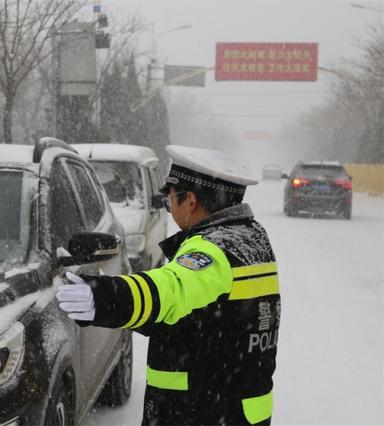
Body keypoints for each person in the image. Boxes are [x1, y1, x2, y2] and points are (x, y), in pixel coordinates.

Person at [56, 145, 280, 426]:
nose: (169, 208)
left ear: (191, 201)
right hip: (238, 408)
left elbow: (171, 289)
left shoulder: (214, 250)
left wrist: (105, 298)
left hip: (201, 412)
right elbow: (198, 308)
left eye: (170, 199)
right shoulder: (252, 236)